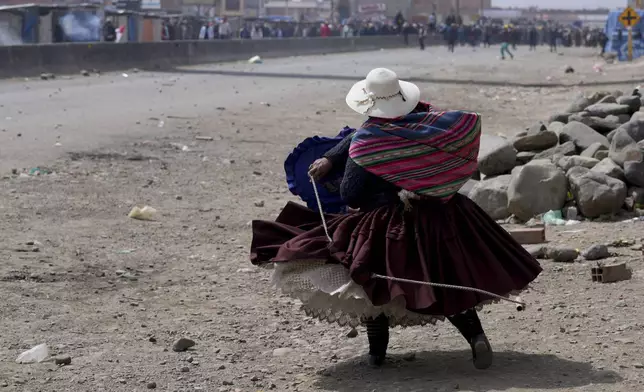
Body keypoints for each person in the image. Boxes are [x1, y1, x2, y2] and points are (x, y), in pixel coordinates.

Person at [250, 68, 542, 368]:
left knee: (370, 287)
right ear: (401, 98)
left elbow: (352, 192)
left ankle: (377, 352)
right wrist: (332, 157)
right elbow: (357, 133)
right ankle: (476, 336)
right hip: (439, 213)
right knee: (445, 278)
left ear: (368, 102)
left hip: (387, 221)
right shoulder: (426, 124)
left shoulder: (368, 143)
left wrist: (334, 183)